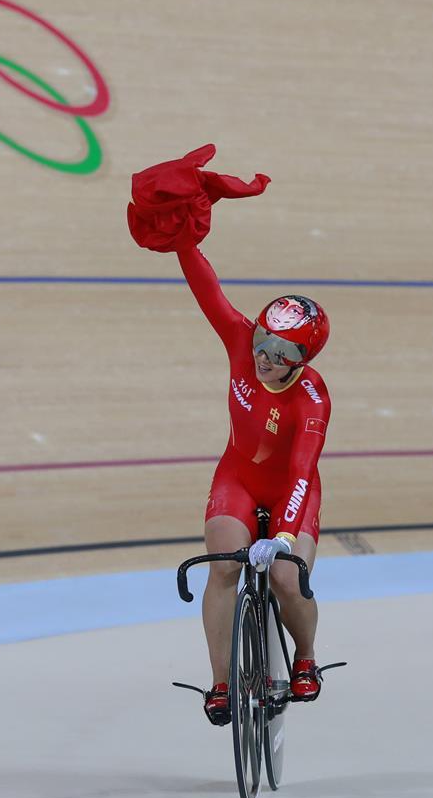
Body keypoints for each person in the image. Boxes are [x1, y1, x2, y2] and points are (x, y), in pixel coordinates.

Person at [127, 145, 332, 726]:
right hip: (238, 476)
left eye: (280, 354)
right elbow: (205, 285)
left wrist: (285, 537)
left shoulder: (311, 398)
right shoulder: (241, 340)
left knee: (289, 579)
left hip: (291, 491)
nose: (264, 358)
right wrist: (182, 227)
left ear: (303, 359)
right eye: (262, 345)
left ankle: (306, 658)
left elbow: (300, 471)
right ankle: (221, 682)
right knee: (222, 565)